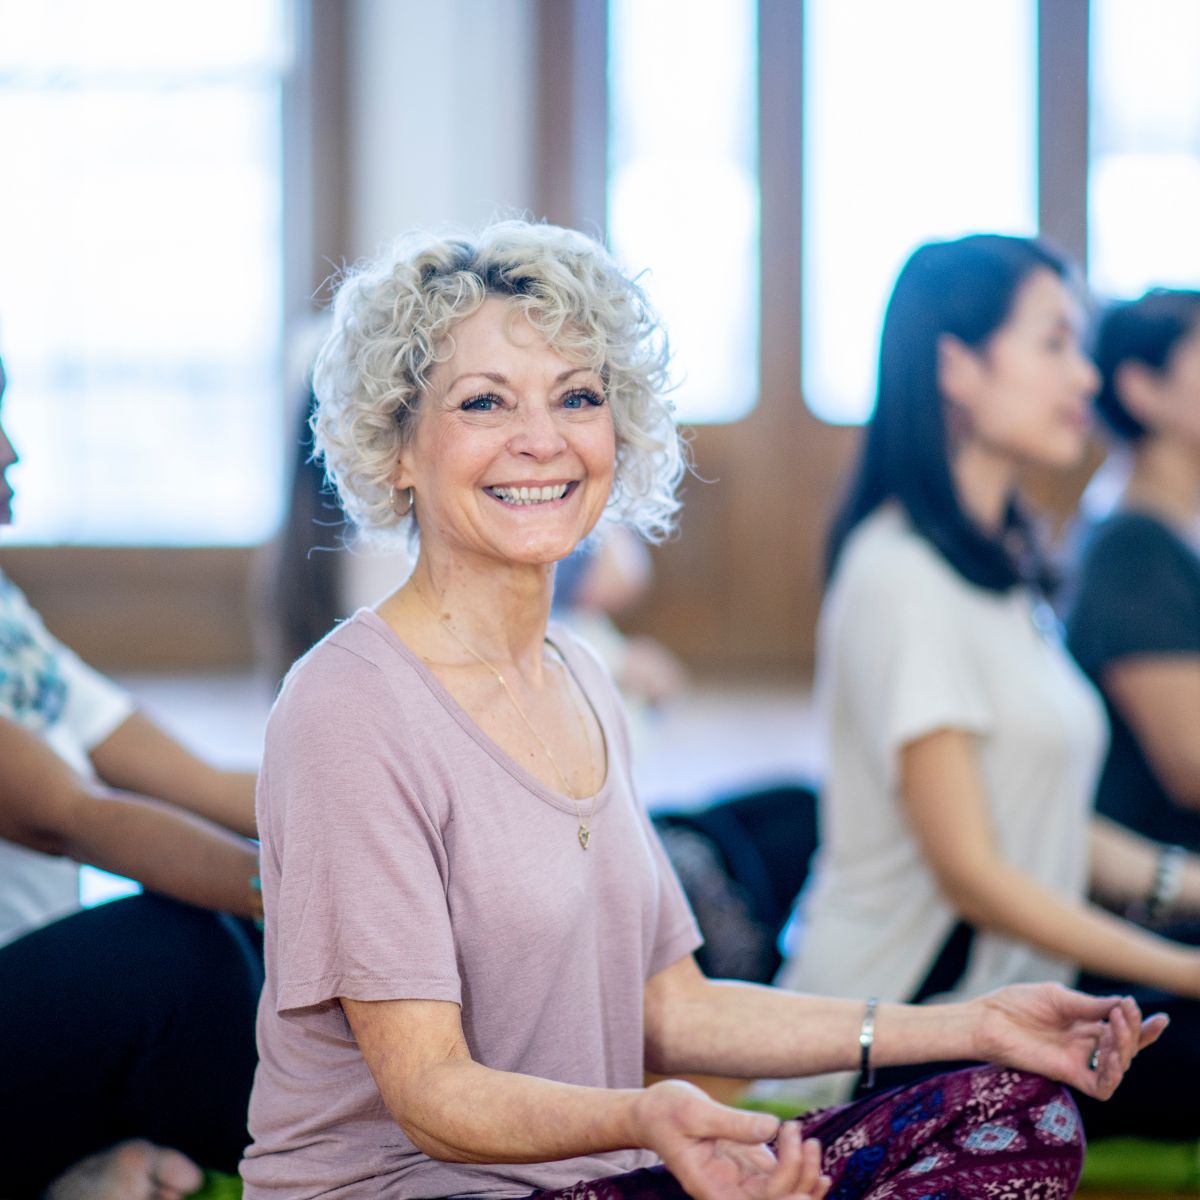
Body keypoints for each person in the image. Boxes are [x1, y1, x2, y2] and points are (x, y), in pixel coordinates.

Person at [241, 220, 1161, 1199]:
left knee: (1018, 1108)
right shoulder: (348, 706)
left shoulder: (581, 675)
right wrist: (643, 1117)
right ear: (395, 447)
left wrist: (973, 1024)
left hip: (602, 1178)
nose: (543, 440)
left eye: (578, 397)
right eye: (484, 402)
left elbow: (673, 1009)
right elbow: (429, 1091)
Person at [771, 235, 1200, 1140]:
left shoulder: (1001, 567)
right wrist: (1181, 968)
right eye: (1054, 343)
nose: (1085, 376)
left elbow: (1033, 811)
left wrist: (1184, 886)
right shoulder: (901, 573)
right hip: (911, 1028)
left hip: (1017, 1000)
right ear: (957, 366)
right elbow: (974, 875)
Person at [0, 354, 264, 1199]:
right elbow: (74, 818)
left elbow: (206, 784)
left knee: (250, 931)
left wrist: (412, 813)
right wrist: (312, 894)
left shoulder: (4, 612)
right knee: (178, 951)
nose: (11, 452)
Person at [1066, 290, 1200, 855]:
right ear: (1142, 388)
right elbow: (1192, 765)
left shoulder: (1172, 523)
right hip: (1165, 872)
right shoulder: (1133, 547)